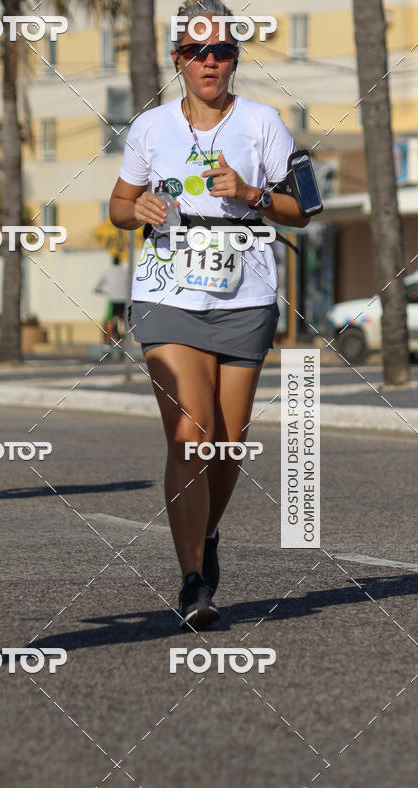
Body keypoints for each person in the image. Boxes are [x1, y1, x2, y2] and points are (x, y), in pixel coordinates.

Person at [109, 0, 309, 629]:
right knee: (190, 435)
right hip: (167, 293)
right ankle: (193, 577)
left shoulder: (263, 124)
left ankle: (207, 533)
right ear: (178, 60)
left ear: (234, 60)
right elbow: (118, 205)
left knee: (228, 444)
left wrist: (250, 194)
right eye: (197, 52)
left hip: (244, 298)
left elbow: (302, 209)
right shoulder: (150, 128)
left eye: (220, 51)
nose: (209, 62)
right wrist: (135, 210)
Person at [95, 255, 131, 347]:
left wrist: (101, 291)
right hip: (124, 301)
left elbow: (97, 287)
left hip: (113, 301)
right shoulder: (126, 272)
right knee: (125, 322)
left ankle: (107, 344)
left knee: (109, 322)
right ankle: (125, 342)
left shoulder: (107, 272)